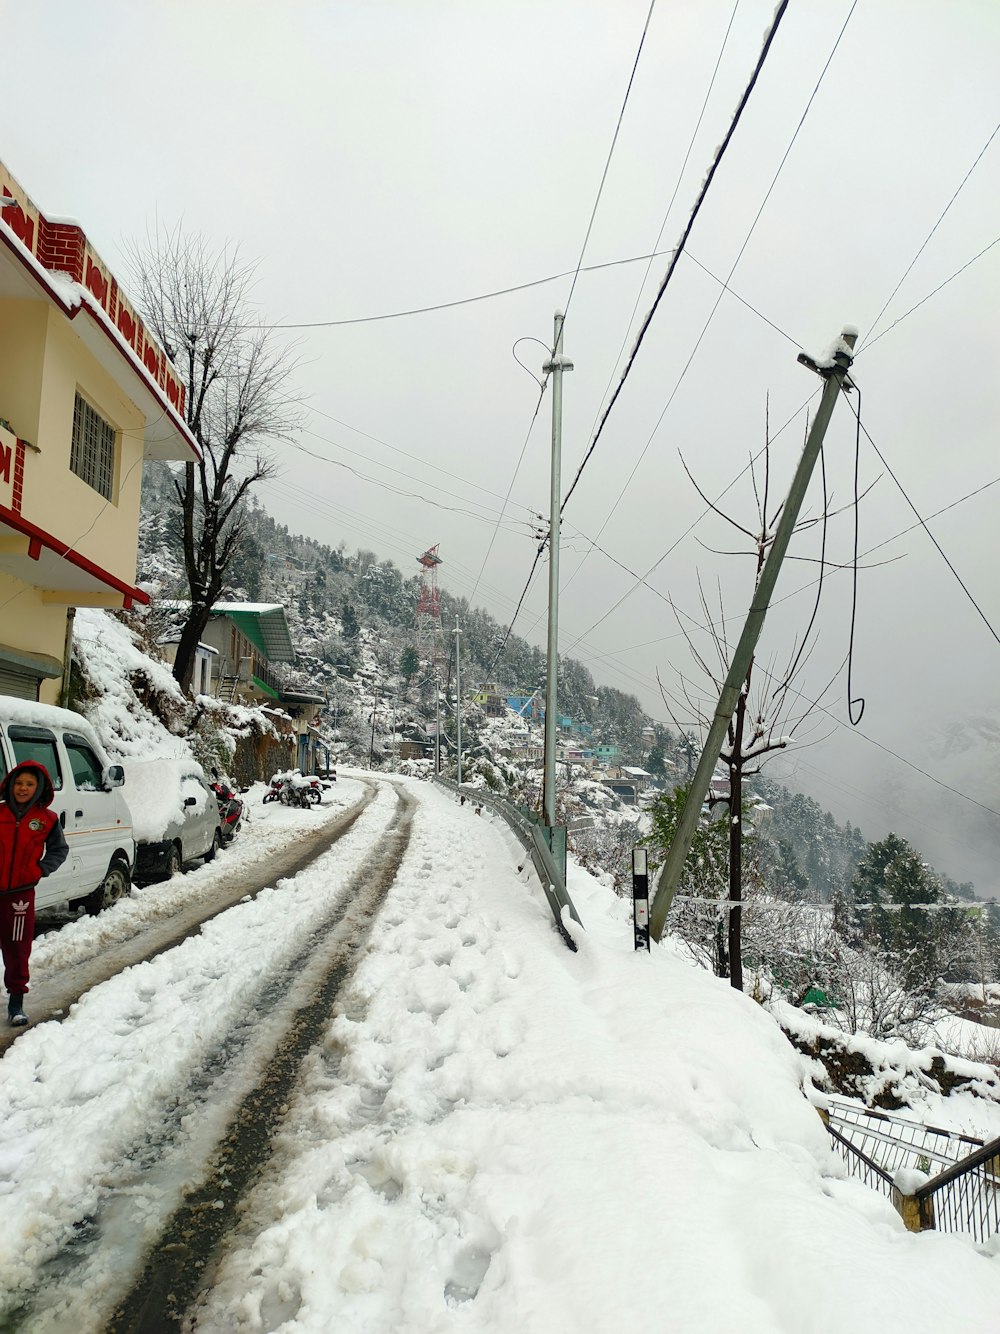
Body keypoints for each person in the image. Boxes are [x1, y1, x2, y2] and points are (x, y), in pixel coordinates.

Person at [0, 760, 68, 1027]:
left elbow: (59, 850)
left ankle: (16, 1003)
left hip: (20, 896)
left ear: (39, 788)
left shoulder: (46, 820)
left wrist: (39, 870)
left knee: (17, 948)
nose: (23, 788)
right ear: (10, 784)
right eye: (18, 783)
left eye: (29, 784)